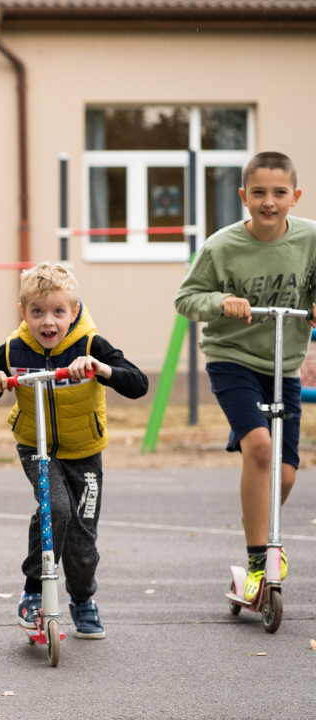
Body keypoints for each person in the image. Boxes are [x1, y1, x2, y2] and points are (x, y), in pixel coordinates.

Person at [0, 262, 148, 640]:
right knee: (56, 509)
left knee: (83, 540)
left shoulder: (89, 345)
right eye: (37, 312)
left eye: (57, 312)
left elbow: (138, 384)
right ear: (24, 313)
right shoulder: (13, 348)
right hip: (37, 448)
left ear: (74, 310)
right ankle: (33, 592)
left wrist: (100, 368)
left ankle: (82, 600)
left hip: (84, 452)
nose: (47, 322)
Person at [175, 151, 316, 603]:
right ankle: (261, 559)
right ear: (243, 197)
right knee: (259, 447)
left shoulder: (311, 238)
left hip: (283, 363)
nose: (269, 202)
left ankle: (261, 535)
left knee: (287, 474)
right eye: (259, 192)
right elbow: (187, 299)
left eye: (279, 193)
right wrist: (220, 302)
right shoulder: (222, 246)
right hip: (231, 357)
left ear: (295, 196)